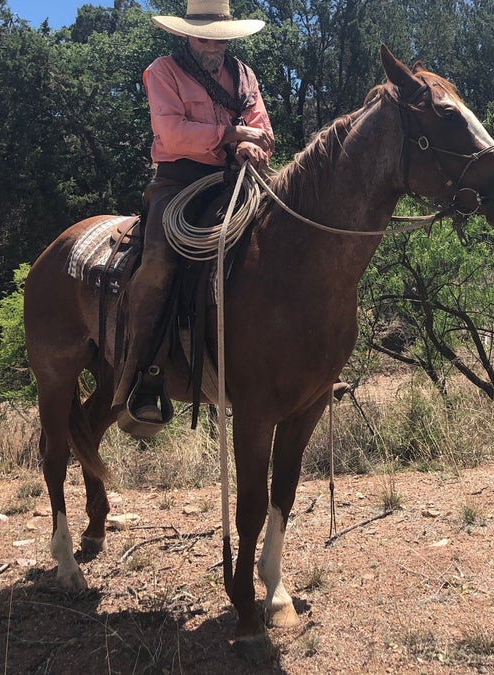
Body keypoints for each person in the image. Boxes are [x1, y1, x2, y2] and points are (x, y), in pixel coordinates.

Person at [112, 0, 274, 425]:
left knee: (290, 238)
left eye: (219, 37)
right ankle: (144, 376)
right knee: (159, 265)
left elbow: (264, 129)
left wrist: (250, 144)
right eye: (205, 36)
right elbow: (171, 132)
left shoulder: (243, 76)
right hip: (179, 181)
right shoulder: (163, 71)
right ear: (187, 33)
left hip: (238, 178)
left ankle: (297, 361)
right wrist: (232, 133)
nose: (212, 45)